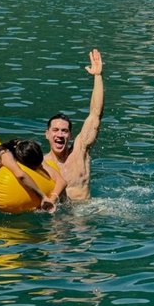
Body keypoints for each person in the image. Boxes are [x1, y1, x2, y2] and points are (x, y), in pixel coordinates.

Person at [43, 48, 103, 201]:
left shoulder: (80, 151)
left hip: (87, 211)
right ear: (47, 134)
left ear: (70, 135)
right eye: (55, 130)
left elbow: (95, 114)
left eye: (64, 131)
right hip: (59, 215)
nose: (60, 135)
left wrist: (97, 76)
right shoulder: (40, 163)